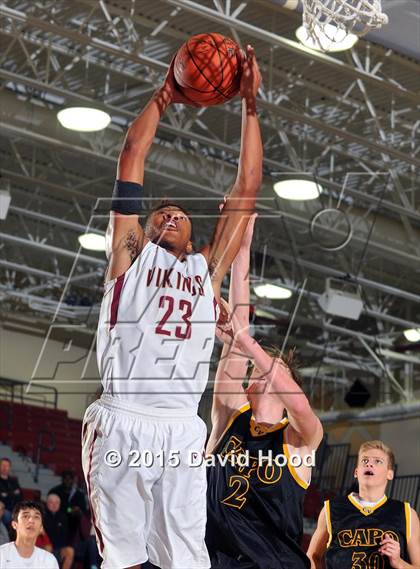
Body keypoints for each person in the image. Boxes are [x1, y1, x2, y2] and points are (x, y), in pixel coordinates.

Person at [82, 44, 263, 569]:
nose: (169, 217)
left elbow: (247, 187)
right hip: (124, 418)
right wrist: (167, 92)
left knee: (186, 559)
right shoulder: (128, 261)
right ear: (143, 228)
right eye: (161, 212)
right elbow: (131, 153)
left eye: (180, 216)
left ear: (192, 238)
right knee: (124, 560)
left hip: (184, 427)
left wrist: (251, 106)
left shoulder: (205, 272)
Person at [205, 215, 323, 568]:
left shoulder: (300, 439)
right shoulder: (231, 415)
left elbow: (297, 402)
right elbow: (239, 324)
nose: (262, 372)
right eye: (258, 371)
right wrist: (242, 249)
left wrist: (246, 341)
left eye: (274, 369)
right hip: (215, 559)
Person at [307, 440, 420, 569]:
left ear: (390, 474)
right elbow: (313, 556)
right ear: (356, 472)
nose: (369, 464)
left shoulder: (406, 513)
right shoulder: (331, 509)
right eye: (365, 461)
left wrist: (398, 562)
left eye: (378, 461)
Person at [0, 501, 58, 568]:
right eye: (25, 516)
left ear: (41, 528)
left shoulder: (50, 561)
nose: (31, 520)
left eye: (36, 517)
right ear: (14, 525)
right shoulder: (2, 555)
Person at [49, 470, 87, 544]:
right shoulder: (55, 492)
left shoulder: (79, 494)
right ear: (62, 479)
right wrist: (70, 510)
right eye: (65, 479)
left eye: (70, 479)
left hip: (74, 524)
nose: (68, 481)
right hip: (57, 523)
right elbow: (56, 508)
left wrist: (78, 511)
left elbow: (83, 510)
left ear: (73, 480)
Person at [44, 493, 74, 569]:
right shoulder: (42, 515)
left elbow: (64, 536)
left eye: (57, 503)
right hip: (44, 547)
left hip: (59, 548)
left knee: (70, 551)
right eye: (51, 502)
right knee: (48, 548)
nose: (54, 505)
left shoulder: (63, 517)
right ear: (47, 503)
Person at [0, 459, 22, 525]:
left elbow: (20, 497)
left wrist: (6, 495)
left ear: (10, 468)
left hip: (14, 508)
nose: (5, 467)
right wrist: (13, 494)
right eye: (3, 465)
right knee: (7, 515)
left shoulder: (14, 481)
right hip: (3, 509)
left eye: (7, 466)